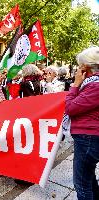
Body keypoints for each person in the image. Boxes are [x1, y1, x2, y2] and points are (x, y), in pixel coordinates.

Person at [65, 46, 99, 200]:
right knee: (89, 179)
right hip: (90, 137)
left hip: (88, 138)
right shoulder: (93, 84)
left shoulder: (94, 86)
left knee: (82, 185)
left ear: (85, 68)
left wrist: (75, 84)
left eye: (80, 66)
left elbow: (70, 108)